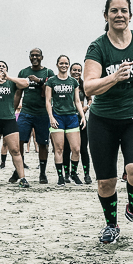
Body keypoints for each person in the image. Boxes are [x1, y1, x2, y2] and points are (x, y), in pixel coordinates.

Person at [82, 0, 133, 243]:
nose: (119, 15)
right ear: (106, 16)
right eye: (114, 11)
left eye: (124, 10)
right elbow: (89, 86)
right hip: (103, 121)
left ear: (130, 16)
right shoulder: (98, 47)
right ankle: (111, 225)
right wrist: (113, 78)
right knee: (106, 182)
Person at [0, 61, 29, 188]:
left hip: (9, 120)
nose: (1, 68)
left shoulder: (11, 83)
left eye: (4, 66)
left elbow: (25, 83)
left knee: (15, 150)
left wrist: (9, 77)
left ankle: (22, 178)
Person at [44, 54, 85, 186]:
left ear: (68, 65)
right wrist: (51, 117)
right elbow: (48, 101)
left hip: (71, 117)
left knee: (76, 149)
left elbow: (77, 101)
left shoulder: (73, 82)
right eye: (61, 63)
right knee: (59, 149)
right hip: (57, 117)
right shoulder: (51, 81)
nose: (64, 65)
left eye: (66, 63)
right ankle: (60, 176)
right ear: (57, 65)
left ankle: (73, 173)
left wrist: (82, 116)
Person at [15, 48, 52, 183]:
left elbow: (51, 91)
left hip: (42, 113)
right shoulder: (23, 72)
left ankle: (42, 173)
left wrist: (39, 81)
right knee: (19, 141)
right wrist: (13, 110)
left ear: (42, 57)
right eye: (32, 55)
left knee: (42, 143)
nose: (35, 57)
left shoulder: (48, 72)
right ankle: (18, 170)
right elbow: (18, 93)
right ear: (29, 57)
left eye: (37, 55)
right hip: (26, 112)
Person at [70, 61, 93, 184]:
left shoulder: (83, 85)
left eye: (79, 70)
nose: (77, 72)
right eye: (74, 70)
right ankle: (68, 173)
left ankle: (87, 174)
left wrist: (86, 107)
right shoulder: (67, 84)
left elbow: (90, 99)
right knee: (68, 148)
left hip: (81, 119)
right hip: (69, 118)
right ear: (70, 71)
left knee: (84, 148)